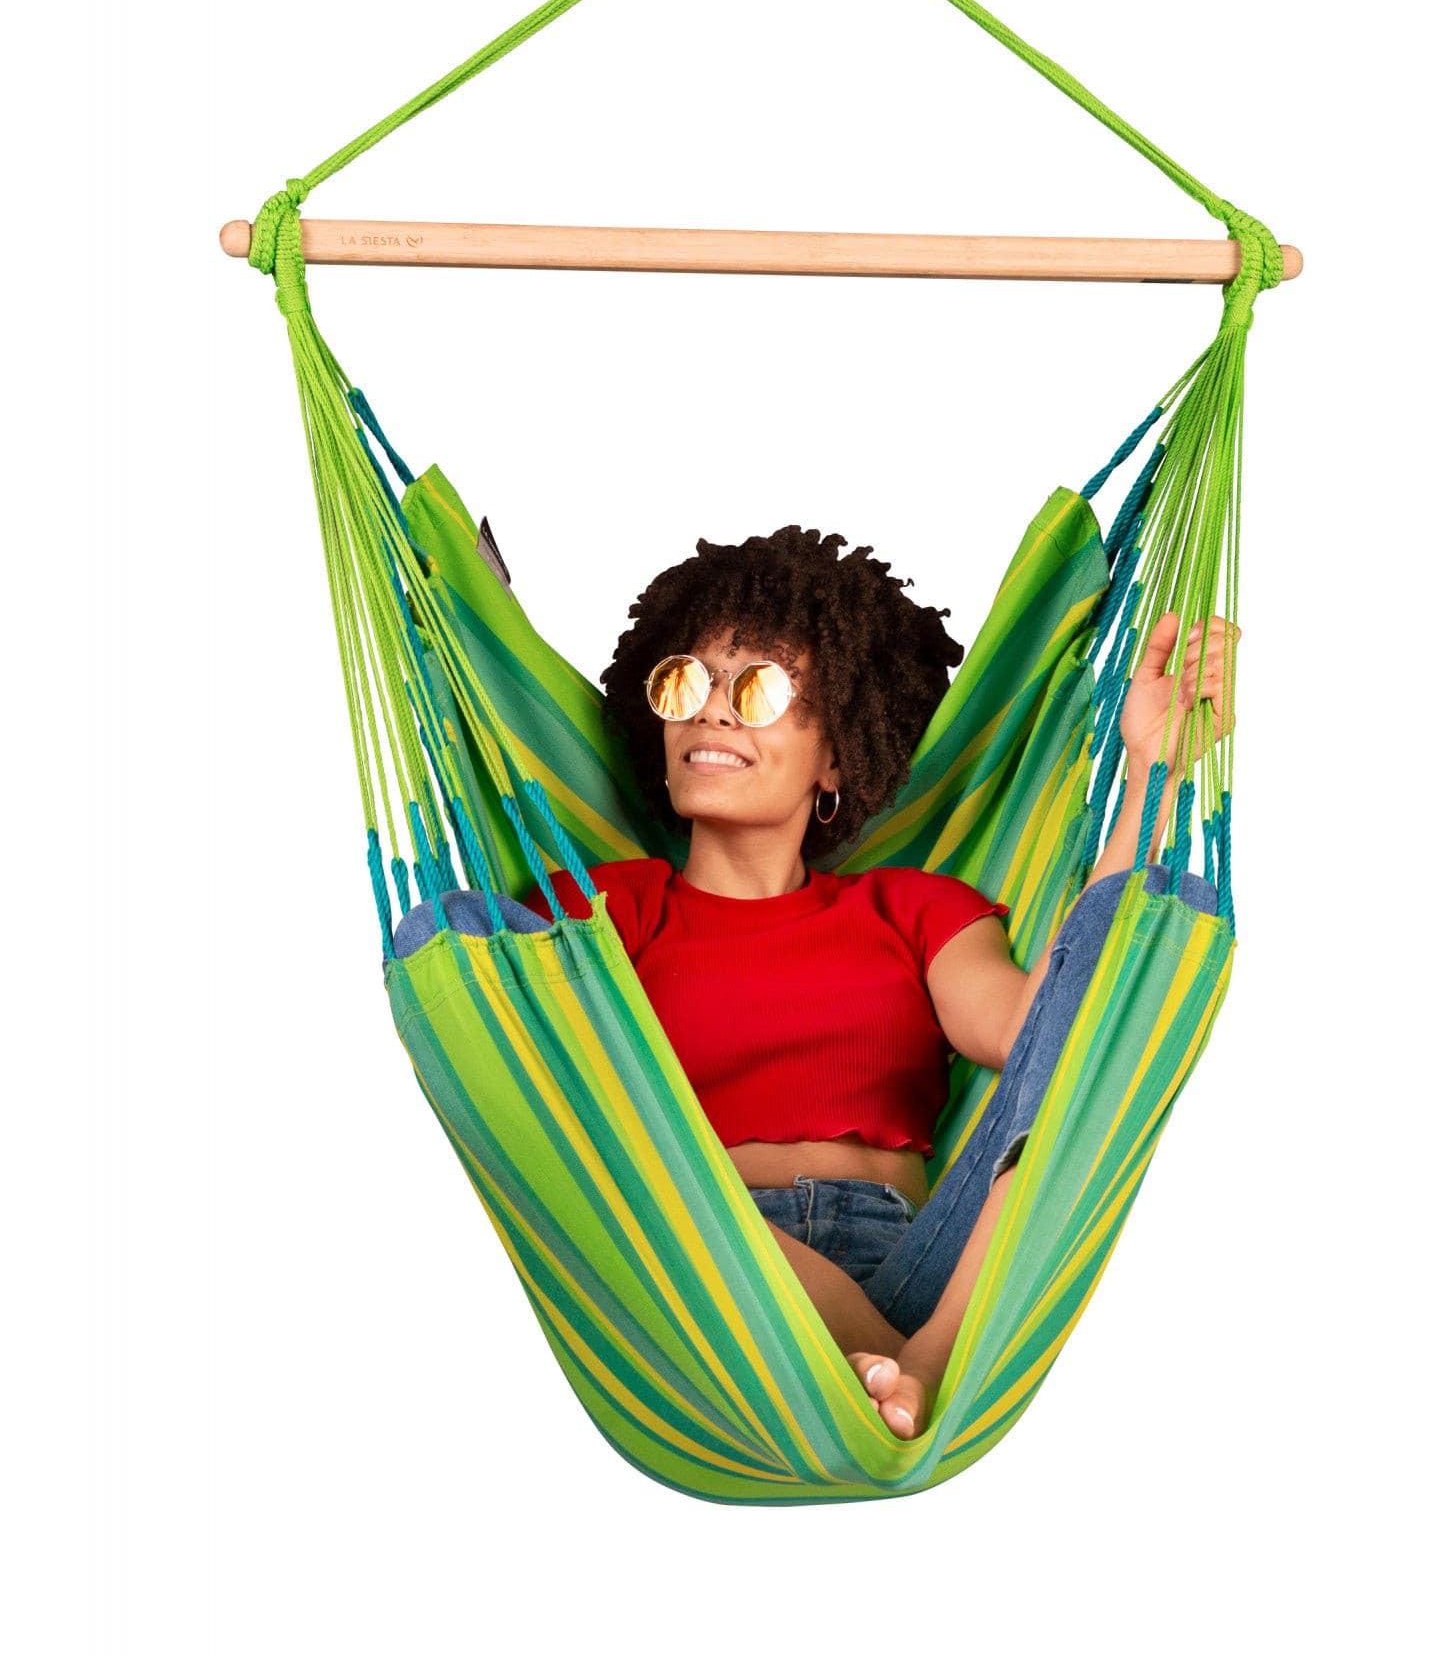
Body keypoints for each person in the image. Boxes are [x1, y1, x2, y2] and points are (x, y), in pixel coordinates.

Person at [394, 525, 1236, 1440]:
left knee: (1096, 1023)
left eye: (756, 689)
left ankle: (923, 1351)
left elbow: (1046, 1037)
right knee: (467, 939)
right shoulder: (607, 908)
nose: (711, 714)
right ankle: (897, 1364)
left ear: (834, 754)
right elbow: (541, 1096)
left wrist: (1150, 772)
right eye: (683, 684)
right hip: (706, 1270)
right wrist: (468, 652)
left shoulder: (910, 907)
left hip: (930, 1263)